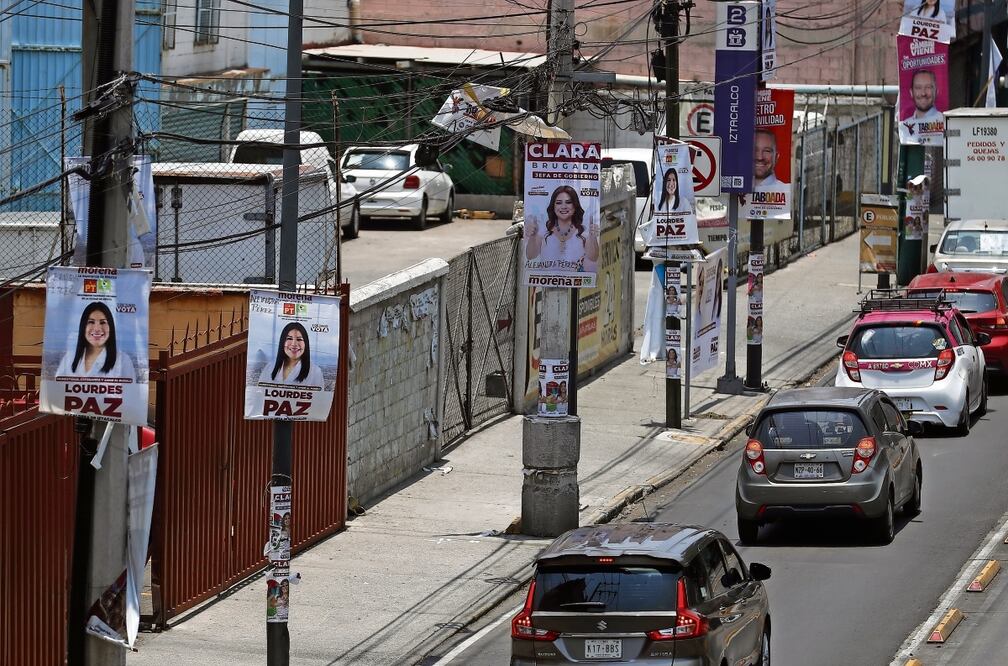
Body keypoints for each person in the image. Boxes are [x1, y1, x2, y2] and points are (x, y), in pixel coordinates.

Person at [525, 185, 600, 272]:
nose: (563, 206)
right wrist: (532, 236)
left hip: (575, 284)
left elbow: (593, 257)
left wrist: (593, 237)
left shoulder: (584, 232)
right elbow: (530, 256)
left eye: (568, 202)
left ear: (575, 206)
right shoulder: (543, 229)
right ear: (553, 206)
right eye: (559, 203)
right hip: (547, 283)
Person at [55, 301, 136, 379]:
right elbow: (57, 387)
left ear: (110, 327)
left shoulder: (123, 361)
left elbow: (130, 391)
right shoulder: (69, 358)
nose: (97, 329)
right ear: (83, 327)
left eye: (103, 322)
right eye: (91, 322)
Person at [258, 321, 325, 388]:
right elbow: (260, 392)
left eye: (299, 339)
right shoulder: (270, 367)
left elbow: (319, 397)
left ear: (306, 344)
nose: (294, 344)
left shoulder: (315, 372)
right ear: (282, 342)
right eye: (289, 338)